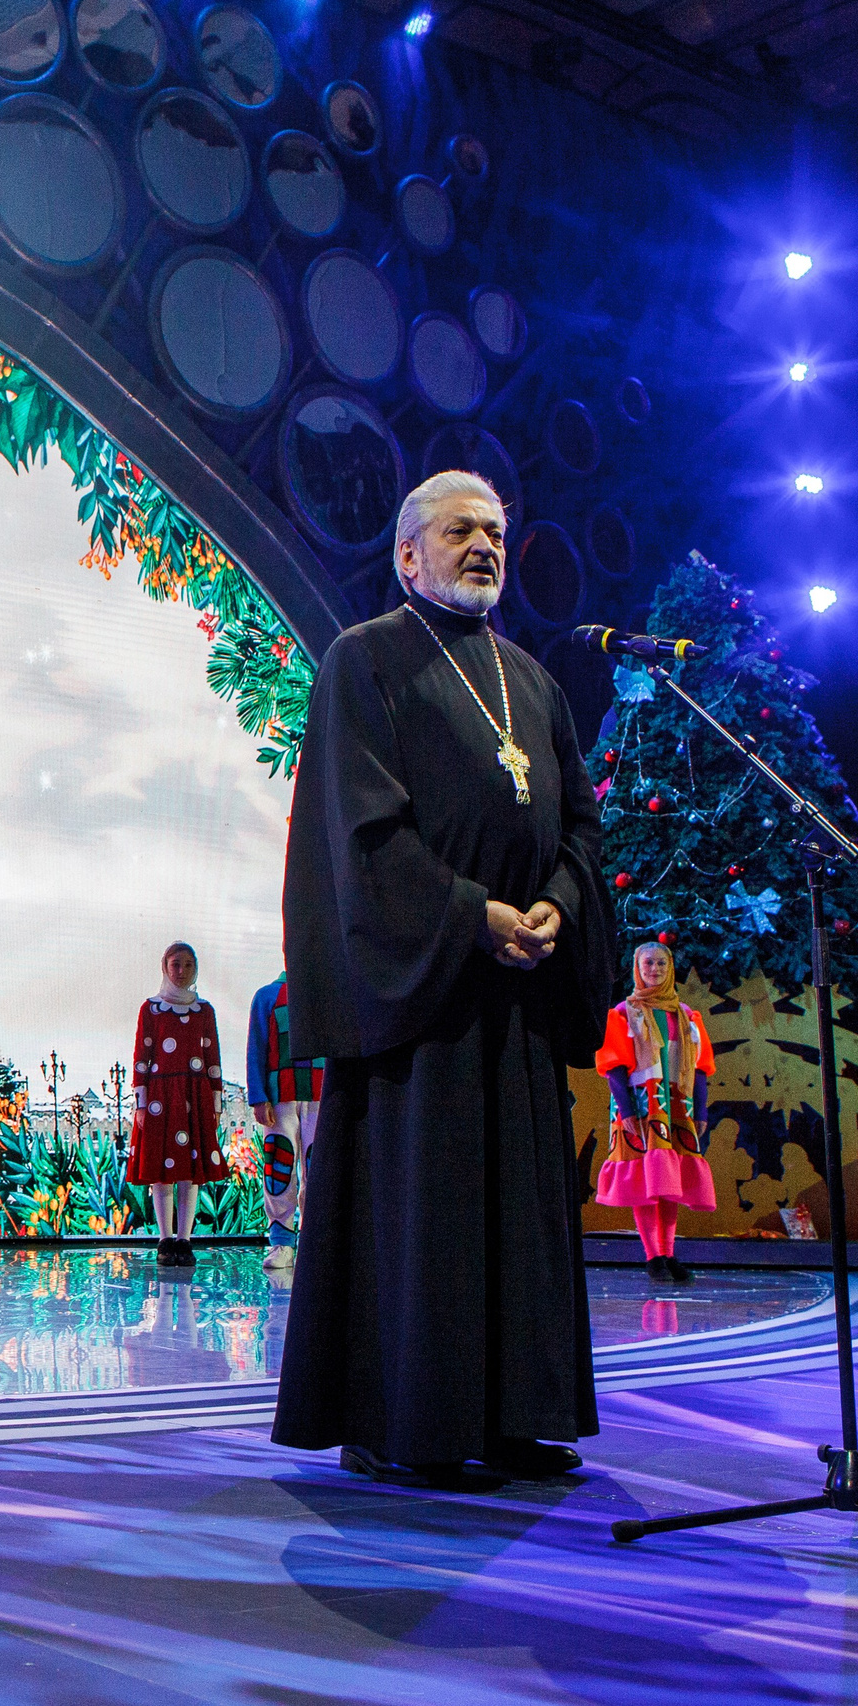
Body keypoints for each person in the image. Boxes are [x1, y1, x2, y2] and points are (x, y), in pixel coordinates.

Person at [272, 469, 616, 1489]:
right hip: (421, 1004)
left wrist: (557, 902)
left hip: (517, 997)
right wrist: (473, 916)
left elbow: (580, 823)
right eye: (461, 529)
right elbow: (362, 831)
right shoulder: (365, 659)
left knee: (518, 1220)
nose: (485, 546)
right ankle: (405, 1425)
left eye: (497, 532)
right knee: (425, 1220)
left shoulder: (533, 682)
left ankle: (515, 1417)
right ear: (407, 555)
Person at [594, 941, 715, 1283]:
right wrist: (628, 1110)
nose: (655, 970)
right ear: (637, 967)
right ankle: (653, 1256)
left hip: (676, 1106)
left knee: (669, 1179)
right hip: (641, 1105)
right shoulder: (624, 1013)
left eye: (661, 963)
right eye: (648, 963)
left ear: (670, 968)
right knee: (646, 1179)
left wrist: (701, 1111)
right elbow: (614, 1068)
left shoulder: (686, 1016)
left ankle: (669, 1253)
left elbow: (700, 1068)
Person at [129, 941, 224, 1269]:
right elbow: (141, 1056)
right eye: (175, 964)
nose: (181, 971)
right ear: (165, 967)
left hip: (194, 1095)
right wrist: (141, 1103)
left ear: (195, 968)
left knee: (189, 1169)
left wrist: (215, 1102)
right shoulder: (151, 1009)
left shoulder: (204, 1011)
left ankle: (184, 1239)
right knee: (162, 1168)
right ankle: (165, 1238)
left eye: (187, 965)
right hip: (160, 1096)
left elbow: (212, 1056)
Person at [246, 971, 326, 1271]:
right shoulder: (267, 996)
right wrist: (258, 1096)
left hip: (321, 1094)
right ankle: (281, 1242)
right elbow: (256, 1047)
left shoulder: (327, 992)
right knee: (278, 1166)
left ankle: (315, 1239)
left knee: (319, 1166)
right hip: (280, 1097)